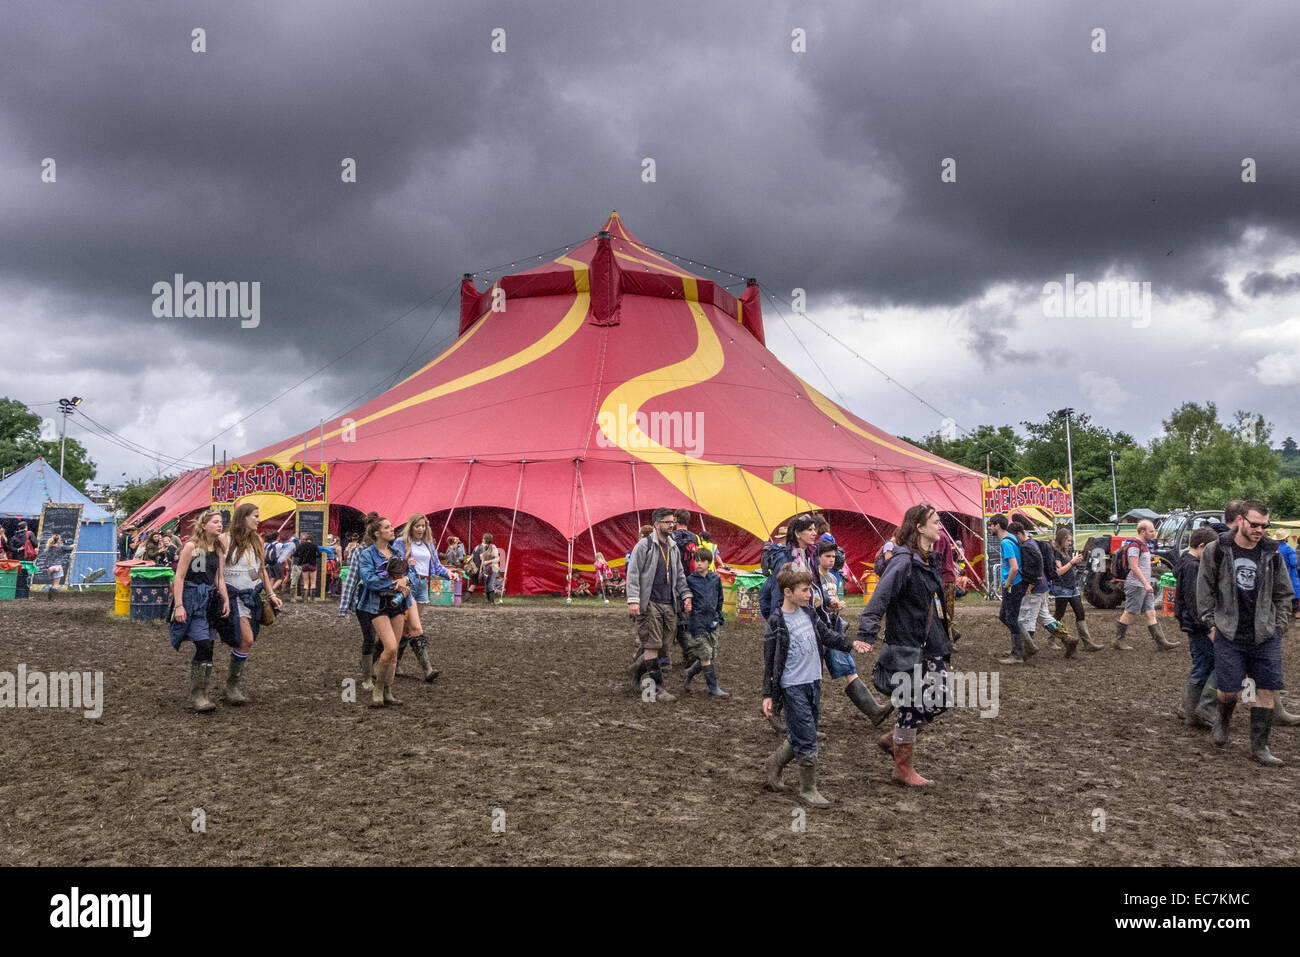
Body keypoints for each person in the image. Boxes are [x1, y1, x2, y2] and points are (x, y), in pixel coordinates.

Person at [858, 504, 970, 786]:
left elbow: (930, 597)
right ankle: (903, 768)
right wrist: (866, 633)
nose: (939, 526)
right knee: (911, 705)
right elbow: (880, 597)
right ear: (919, 527)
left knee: (940, 699)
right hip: (907, 643)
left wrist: (956, 591)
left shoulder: (928, 559)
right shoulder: (903, 560)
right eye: (934, 522)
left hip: (930, 641)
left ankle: (894, 739)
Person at [762, 563, 872, 805]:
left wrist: (851, 644)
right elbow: (770, 661)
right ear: (787, 592)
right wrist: (768, 694)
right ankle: (808, 788)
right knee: (808, 736)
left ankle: (774, 762)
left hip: (813, 682)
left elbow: (827, 636)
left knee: (804, 730)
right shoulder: (776, 621)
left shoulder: (810, 613)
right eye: (804, 590)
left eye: (810, 590)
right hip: (792, 686)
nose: (809, 594)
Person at [1198, 500, 1295, 764]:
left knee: (1265, 689)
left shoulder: (1272, 553)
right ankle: (1223, 719)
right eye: (1254, 524)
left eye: (1265, 525)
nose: (1260, 530)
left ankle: (1259, 747)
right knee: (1229, 690)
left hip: (1265, 634)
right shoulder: (1216, 549)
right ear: (1240, 520)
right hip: (1228, 632)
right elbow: (1204, 592)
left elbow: (1284, 593)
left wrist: (1279, 625)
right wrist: (1211, 626)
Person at [216, 503, 283, 705]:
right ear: (243, 517)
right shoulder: (224, 540)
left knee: (247, 639)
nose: (258, 519)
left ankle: (232, 685)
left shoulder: (257, 541)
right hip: (232, 596)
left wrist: (271, 594)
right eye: (254, 516)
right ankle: (232, 686)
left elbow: (260, 570)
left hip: (251, 596)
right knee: (246, 639)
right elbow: (217, 571)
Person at [625, 508, 691, 702]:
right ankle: (656, 689)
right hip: (650, 603)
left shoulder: (673, 547)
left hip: (668, 603)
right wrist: (634, 600)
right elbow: (633, 574)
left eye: (673, 522)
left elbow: (679, 575)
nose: (672, 525)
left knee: (663, 646)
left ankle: (636, 670)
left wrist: (686, 595)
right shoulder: (643, 546)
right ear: (656, 524)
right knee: (652, 645)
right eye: (667, 522)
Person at [168, 511, 231, 712]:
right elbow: (179, 577)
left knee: (209, 646)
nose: (219, 525)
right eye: (215, 522)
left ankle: (202, 692)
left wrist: (225, 600)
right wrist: (179, 605)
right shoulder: (191, 546)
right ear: (204, 525)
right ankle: (197, 694)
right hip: (192, 600)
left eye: (221, 522)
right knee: (202, 644)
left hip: (210, 602)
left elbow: (219, 578)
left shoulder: (219, 549)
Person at [355, 515, 415, 708]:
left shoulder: (396, 552)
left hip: (397, 604)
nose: (392, 530)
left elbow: (409, 571)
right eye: (388, 527)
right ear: (377, 533)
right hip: (376, 605)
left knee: (394, 652)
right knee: (389, 647)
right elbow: (369, 579)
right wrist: (393, 583)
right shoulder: (367, 554)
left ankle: (388, 691)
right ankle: (378, 689)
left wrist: (405, 580)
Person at [394, 513, 459, 682]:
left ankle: (393, 663)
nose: (421, 529)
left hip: (423, 586)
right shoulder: (401, 543)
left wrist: (449, 574)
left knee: (407, 629)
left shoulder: (428, 545)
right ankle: (427, 669)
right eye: (417, 526)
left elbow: (436, 567)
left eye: (423, 526)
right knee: (414, 626)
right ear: (411, 527)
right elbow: (395, 564)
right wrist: (407, 564)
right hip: (408, 584)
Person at [1175, 527, 1219, 729]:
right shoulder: (1193, 567)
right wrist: (1208, 627)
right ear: (1202, 546)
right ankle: (1193, 713)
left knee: (1203, 665)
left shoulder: (1186, 562)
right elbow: (1195, 602)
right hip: (1199, 626)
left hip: (1193, 623)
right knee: (1205, 666)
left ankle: (1190, 711)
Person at [1116, 519, 1179, 651]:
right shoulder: (1134, 545)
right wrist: (1146, 584)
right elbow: (1133, 567)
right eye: (1151, 531)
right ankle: (1118, 640)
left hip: (1144, 584)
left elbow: (1139, 565)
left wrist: (1150, 565)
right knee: (1130, 612)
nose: (1153, 533)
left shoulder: (1143, 545)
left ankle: (1161, 642)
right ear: (1142, 532)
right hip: (1136, 585)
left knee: (1151, 613)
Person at [1016, 526, 1074, 656]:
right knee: (1045, 617)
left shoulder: (1027, 546)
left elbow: (1033, 567)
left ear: (1019, 534)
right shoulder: (1034, 543)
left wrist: (1030, 585)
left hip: (1035, 586)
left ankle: (1027, 649)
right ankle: (1067, 638)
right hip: (1043, 586)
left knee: (1027, 618)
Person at [682, 547, 728, 697]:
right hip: (697, 623)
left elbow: (720, 598)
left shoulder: (715, 579)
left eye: (702, 561)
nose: (699, 564)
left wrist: (719, 615)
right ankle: (713, 688)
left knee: (710, 655)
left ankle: (690, 673)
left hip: (712, 622)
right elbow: (684, 597)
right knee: (706, 655)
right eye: (696, 560)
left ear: (709, 563)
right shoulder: (690, 580)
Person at [1050, 527, 1102, 651]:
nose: (1070, 543)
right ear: (1061, 540)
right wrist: (1072, 562)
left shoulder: (1065, 553)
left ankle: (1088, 643)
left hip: (1072, 587)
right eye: (1068, 540)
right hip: (1062, 587)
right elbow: (1059, 571)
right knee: (1058, 614)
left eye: (1070, 541)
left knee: (1080, 613)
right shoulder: (1057, 553)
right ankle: (1051, 639)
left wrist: (1075, 561)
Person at [990, 515, 1030, 664]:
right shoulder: (1012, 538)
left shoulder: (1006, 542)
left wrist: (1007, 584)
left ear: (997, 526)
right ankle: (1024, 645)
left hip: (1014, 584)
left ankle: (1018, 654)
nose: (989, 528)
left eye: (991, 525)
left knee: (1011, 618)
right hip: (1016, 583)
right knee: (1004, 616)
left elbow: (1014, 567)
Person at [472, 533, 502, 603]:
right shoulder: (482, 547)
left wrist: (487, 562)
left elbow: (497, 558)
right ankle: (489, 601)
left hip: (493, 568)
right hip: (486, 568)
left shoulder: (493, 547)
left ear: (486, 539)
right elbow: (482, 559)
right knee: (486, 585)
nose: (482, 539)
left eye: (483, 538)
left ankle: (492, 602)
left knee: (490, 584)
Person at [1277, 531, 1300, 619]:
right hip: (1290, 574)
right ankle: (1296, 612)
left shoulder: (1274, 549)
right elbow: (1294, 563)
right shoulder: (1289, 549)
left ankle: (1283, 613)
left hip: (1278, 575)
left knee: (1281, 593)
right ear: (1285, 539)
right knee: (1294, 591)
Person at [294, 534, 318, 601]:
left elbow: (295, 554)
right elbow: (319, 554)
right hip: (312, 565)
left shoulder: (302, 546)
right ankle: (312, 600)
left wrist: (301, 556)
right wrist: (314, 557)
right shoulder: (314, 546)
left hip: (304, 565)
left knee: (305, 583)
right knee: (313, 582)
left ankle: (305, 599)